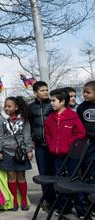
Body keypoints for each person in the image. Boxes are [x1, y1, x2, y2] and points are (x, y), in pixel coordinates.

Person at [45, 88, 86, 217]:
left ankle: (81, 209)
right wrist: (51, 145)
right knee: (60, 182)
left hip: (71, 156)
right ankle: (64, 208)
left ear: (62, 102)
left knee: (74, 181)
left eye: (53, 101)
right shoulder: (50, 118)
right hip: (57, 156)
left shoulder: (73, 117)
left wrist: (69, 145)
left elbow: (80, 134)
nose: (51, 103)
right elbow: (48, 134)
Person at [0, 96, 34, 211]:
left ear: (16, 107)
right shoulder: (1, 119)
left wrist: (29, 150)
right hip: (7, 151)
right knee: (11, 175)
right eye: (5, 106)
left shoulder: (23, 119)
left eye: (9, 106)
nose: (7, 108)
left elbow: (27, 135)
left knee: (21, 175)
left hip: (21, 151)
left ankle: (23, 200)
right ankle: (14, 201)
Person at [29, 81, 55, 208]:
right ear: (35, 93)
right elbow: (28, 125)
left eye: (46, 90)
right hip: (39, 145)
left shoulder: (52, 104)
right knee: (44, 173)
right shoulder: (31, 107)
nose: (45, 92)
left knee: (56, 172)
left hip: (54, 144)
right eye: (42, 90)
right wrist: (32, 139)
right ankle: (49, 200)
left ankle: (60, 199)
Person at [77, 81, 95, 181]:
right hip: (87, 143)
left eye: (88, 92)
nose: (84, 94)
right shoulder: (81, 107)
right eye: (84, 92)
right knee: (88, 166)